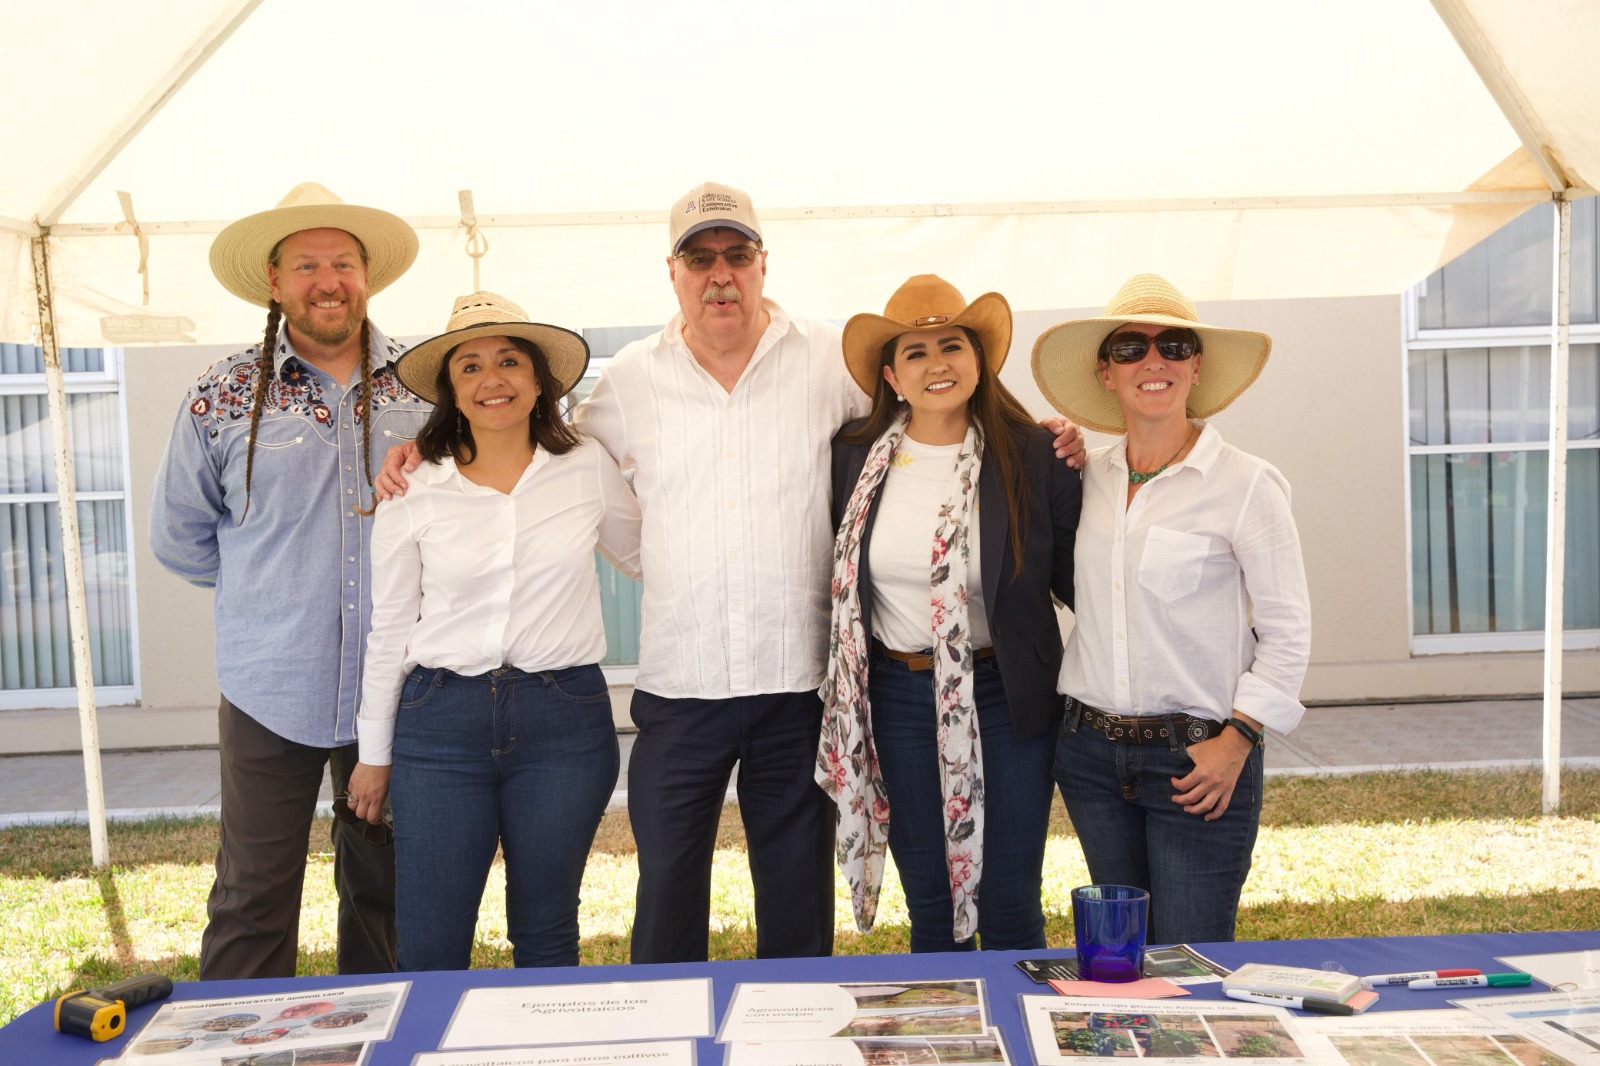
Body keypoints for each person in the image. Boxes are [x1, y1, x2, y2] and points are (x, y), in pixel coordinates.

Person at [377, 182, 1086, 963]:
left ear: (761, 264)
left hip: (796, 684)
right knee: (668, 903)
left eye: (737, 254)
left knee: (794, 903)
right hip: (683, 688)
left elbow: (931, 407)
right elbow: (547, 460)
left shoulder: (829, 361)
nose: (721, 274)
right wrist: (423, 450)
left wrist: (1042, 430)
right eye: (700, 257)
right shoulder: (629, 381)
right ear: (673, 271)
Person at [149, 182, 427, 978]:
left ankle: (384, 1041)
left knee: (390, 887)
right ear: (274, 280)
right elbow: (182, 538)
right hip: (271, 684)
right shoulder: (221, 395)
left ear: (367, 276)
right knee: (253, 892)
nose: (327, 280)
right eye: (306, 264)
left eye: (343, 262)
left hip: (399, 683)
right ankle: (235, 1048)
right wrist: (270, 600)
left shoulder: (425, 387)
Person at [347, 291, 641, 971]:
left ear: (539, 380)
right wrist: (374, 752)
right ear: (452, 389)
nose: (493, 379)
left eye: (509, 361)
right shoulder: (413, 487)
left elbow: (647, 556)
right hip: (440, 723)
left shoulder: (586, 468)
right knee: (430, 943)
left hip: (563, 722)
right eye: (470, 367)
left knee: (546, 935)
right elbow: (389, 625)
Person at [1031, 273, 1311, 944]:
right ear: (1105, 372)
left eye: (1173, 345)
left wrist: (1238, 741)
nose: (1152, 361)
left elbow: (1288, 631)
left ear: (1196, 366)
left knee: (1189, 964)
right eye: (1130, 347)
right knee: (1118, 959)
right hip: (1091, 757)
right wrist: (1043, 450)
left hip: (1198, 759)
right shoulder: (1082, 478)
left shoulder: (1246, 485)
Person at [818, 275, 1082, 953]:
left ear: (979, 359)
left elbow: (1084, 582)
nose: (938, 364)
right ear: (891, 376)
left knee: (1011, 900)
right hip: (898, 694)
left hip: (1003, 696)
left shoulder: (1033, 455)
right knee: (931, 900)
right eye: (916, 352)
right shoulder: (852, 455)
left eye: (952, 345)